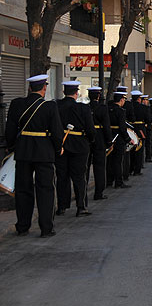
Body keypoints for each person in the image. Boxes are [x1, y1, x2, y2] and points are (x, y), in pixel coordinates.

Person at [5, 75, 63, 238]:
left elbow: (10, 129)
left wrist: (11, 147)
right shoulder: (50, 106)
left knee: (23, 189)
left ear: (30, 88)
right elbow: (57, 133)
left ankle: (22, 226)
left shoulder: (17, 104)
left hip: (23, 151)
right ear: (44, 89)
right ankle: (46, 228)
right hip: (44, 152)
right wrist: (58, 149)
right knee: (46, 189)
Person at [55, 81, 96, 217]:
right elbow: (90, 130)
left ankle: (62, 206)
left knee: (62, 177)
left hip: (61, 145)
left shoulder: (56, 106)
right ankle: (81, 206)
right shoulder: (83, 108)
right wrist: (90, 140)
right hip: (79, 146)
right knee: (79, 177)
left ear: (63, 92)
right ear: (76, 93)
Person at [87, 87, 112, 201]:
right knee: (100, 167)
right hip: (100, 138)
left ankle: (83, 193)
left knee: (85, 167)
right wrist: (109, 141)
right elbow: (106, 126)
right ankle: (98, 192)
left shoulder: (86, 107)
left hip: (87, 138)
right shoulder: (102, 108)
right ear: (98, 96)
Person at [107, 91, 132, 189]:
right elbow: (122, 127)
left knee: (109, 160)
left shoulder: (108, 110)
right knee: (118, 161)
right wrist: (127, 139)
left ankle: (109, 180)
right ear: (121, 100)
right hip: (119, 137)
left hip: (109, 136)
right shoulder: (121, 111)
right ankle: (118, 182)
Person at [130, 91, 149, 176]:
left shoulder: (128, 106)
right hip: (140, 128)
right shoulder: (143, 108)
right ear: (139, 99)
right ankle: (137, 169)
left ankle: (130, 169)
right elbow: (148, 119)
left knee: (130, 150)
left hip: (130, 129)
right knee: (139, 149)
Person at [142, 95, 152, 163]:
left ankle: (148, 156)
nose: (146, 102)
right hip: (145, 127)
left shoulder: (148, 108)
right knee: (147, 143)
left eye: (147, 100)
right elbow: (149, 118)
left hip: (146, 127)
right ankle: (147, 157)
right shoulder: (145, 108)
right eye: (145, 100)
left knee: (148, 142)